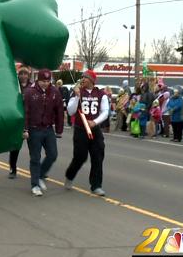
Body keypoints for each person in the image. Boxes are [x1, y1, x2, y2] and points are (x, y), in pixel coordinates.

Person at [64, 69, 110, 196]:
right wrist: (77, 96)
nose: (83, 79)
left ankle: (96, 185)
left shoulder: (101, 94)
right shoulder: (78, 92)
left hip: (94, 129)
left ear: (92, 80)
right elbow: (70, 111)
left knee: (98, 156)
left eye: (86, 77)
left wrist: (95, 122)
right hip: (80, 129)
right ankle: (70, 175)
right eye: (82, 77)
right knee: (80, 157)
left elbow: (105, 112)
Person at [22, 69, 64, 197]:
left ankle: (40, 175)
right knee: (35, 158)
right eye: (43, 81)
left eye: (47, 81)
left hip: (48, 128)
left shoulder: (55, 92)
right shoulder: (30, 92)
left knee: (53, 154)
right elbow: (26, 112)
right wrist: (25, 129)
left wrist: (59, 129)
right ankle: (35, 185)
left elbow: (59, 111)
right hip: (34, 129)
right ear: (38, 80)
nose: (45, 83)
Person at [8, 66, 33, 179]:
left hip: (30, 119)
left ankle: (36, 169)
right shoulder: (14, 86)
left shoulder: (33, 86)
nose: (23, 76)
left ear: (29, 75)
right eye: (21, 74)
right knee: (15, 147)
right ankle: (13, 169)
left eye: (25, 74)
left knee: (33, 147)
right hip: (18, 120)